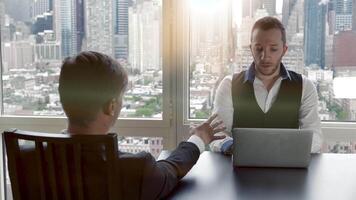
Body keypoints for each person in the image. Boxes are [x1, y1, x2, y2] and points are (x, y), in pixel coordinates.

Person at [58, 51, 226, 199]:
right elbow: (170, 171)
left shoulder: (32, 160)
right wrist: (198, 139)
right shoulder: (133, 168)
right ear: (111, 106)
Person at [210, 16, 322, 154]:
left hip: (288, 170)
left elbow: (315, 138)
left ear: (284, 50)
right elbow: (217, 135)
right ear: (251, 48)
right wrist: (229, 146)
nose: (265, 56)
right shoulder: (229, 85)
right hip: (240, 172)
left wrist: (279, 149)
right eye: (258, 49)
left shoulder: (305, 86)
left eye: (273, 49)